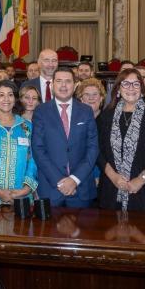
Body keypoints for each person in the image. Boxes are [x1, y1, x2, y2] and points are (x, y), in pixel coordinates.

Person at [97, 69, 145, 211]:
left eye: (136, 84)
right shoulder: (107, 114)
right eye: (125, 83)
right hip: (112, 190)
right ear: (118, 88)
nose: (131, 88)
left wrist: (141, 179)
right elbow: (98, 151)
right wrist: (113, 177)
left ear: (142, 89)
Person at [32, 67, 99, 207]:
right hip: (51, 188)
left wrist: (74, 179)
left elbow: (92, 148)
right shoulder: (41, 111)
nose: (63, 85)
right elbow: (38, 149)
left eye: (68, 81)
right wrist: (61, 182)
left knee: (84, 229)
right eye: (59, 81)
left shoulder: (86, 111)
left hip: (81, 188)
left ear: (75, 85)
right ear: (52, 84)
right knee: (48, 229)